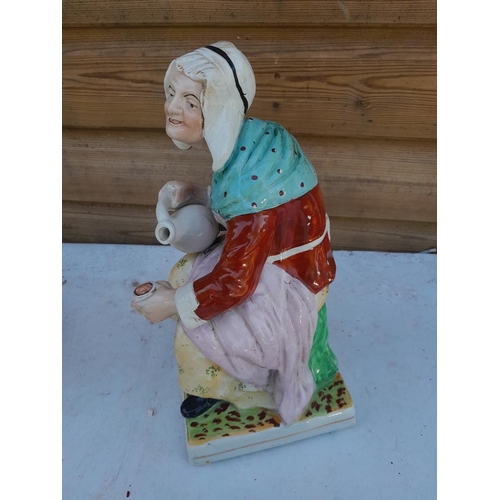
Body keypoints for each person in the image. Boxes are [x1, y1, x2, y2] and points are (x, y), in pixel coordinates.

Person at [132, 42, 338, 425]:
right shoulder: (254, 140)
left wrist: (172, 304)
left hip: (291, 279)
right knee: (182, 271)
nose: (173, 107)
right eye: (171, 93)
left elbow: (235, 282)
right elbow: (245, 209)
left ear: (219, 108)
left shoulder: (252, 184)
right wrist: (200, 194)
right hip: (271, 256)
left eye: (190, 102)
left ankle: (231, 387)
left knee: (193, 330)